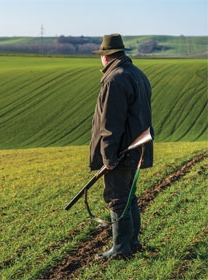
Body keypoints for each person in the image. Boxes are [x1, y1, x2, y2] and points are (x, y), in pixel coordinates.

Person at [90, 34, 154, 260]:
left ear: (106, 57)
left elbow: (110, 124)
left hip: (121, 152)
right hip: (136, 149)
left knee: (117, 198)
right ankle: (132, 242)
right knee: (129, 197)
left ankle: (120, 249)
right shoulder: (138, 74)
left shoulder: (114, 79)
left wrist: (108, 157)